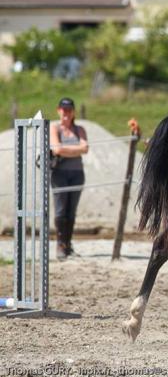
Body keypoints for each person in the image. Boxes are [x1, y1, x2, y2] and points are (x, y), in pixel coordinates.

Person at [50, 97, 88, 259]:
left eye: (69, 110)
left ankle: (68, 244)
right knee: (60, 209)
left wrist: (66, 149)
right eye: (63, 109)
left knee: (71, 210)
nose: (66, 113)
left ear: (73, 112)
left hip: (77, 174)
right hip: (59, 174)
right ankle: (60, 244)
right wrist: (75, 149)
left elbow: (85, 148)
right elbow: (57, 149)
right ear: (59, 110)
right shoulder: (54, 127)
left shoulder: (80, 129)